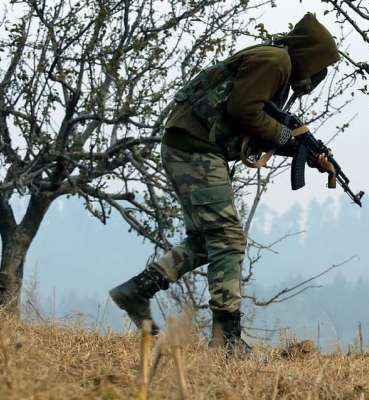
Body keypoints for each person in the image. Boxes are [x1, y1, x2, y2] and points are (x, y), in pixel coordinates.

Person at [109, 13, 340, 356]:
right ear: (310, 56)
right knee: (228, 238)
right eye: (319, 67)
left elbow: (253, 121)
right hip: (195, 147)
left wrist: (301, 150)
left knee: (207, 242)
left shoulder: (275, 64)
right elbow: (244, 110)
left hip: (190, 145)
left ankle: (136, 291)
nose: (316, 77)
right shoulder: (276, 61)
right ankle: (226, 340)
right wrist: (288, 139)